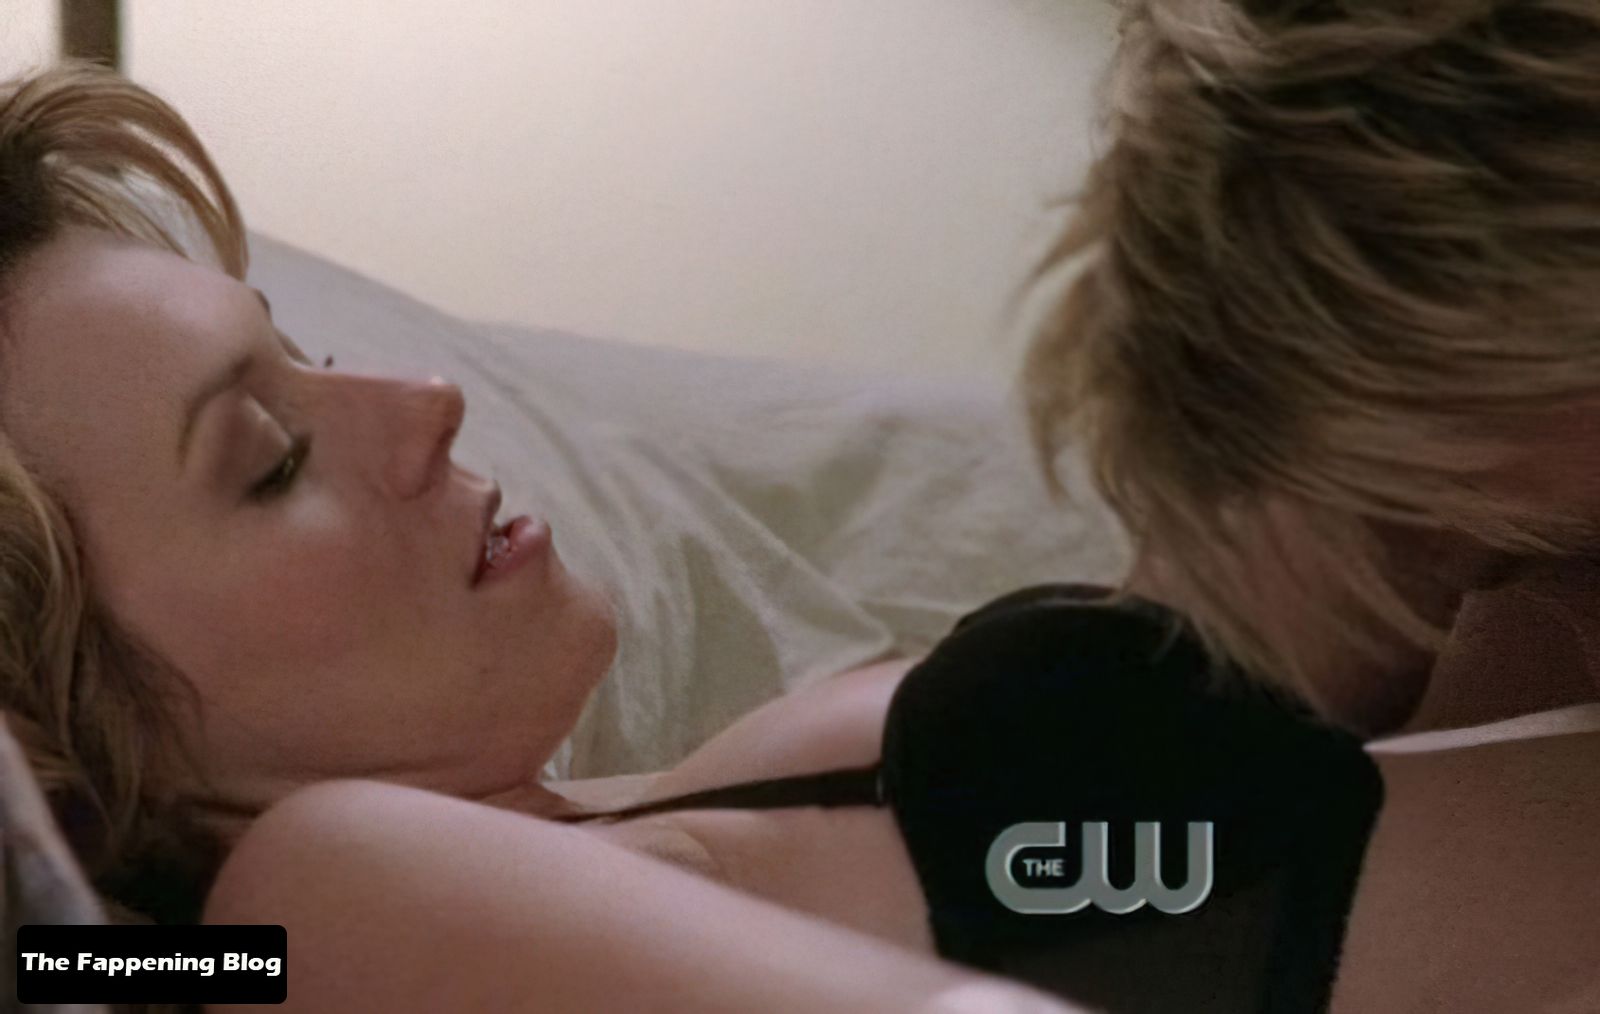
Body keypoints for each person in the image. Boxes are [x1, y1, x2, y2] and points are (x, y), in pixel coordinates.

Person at [6, 0, 1600, 1007]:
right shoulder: (319, 890)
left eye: (314, 359)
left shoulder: (638, 833)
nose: (423, 407)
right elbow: (97, 959)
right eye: (270, 459)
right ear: (72, 730)